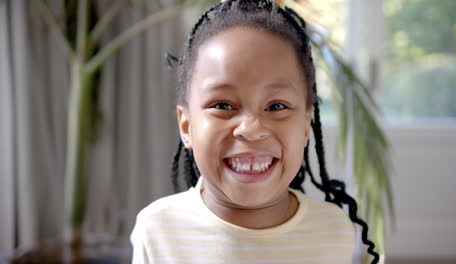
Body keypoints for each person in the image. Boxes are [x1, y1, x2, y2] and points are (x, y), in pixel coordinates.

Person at [130, 0, 379, 263]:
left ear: (306, 125)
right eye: (223, 105)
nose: (251, 129)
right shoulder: (158, 231)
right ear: (187, 126)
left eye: (277, 106)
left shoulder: (332, 232)